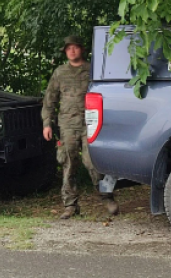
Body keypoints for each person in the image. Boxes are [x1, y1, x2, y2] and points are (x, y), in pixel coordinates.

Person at [42, 35, 119, 219]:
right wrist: (47, 123)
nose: (72, 51)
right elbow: (49, 100)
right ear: (65, 51)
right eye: (69, 48)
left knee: (92, 162)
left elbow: (105, 95)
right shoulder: (60, 73)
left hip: (90, 123)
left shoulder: (92, 70)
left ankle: (107, 198)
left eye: (75, 47)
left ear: (81, 49)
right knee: (68, 164)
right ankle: (70, 205)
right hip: (67, 125)